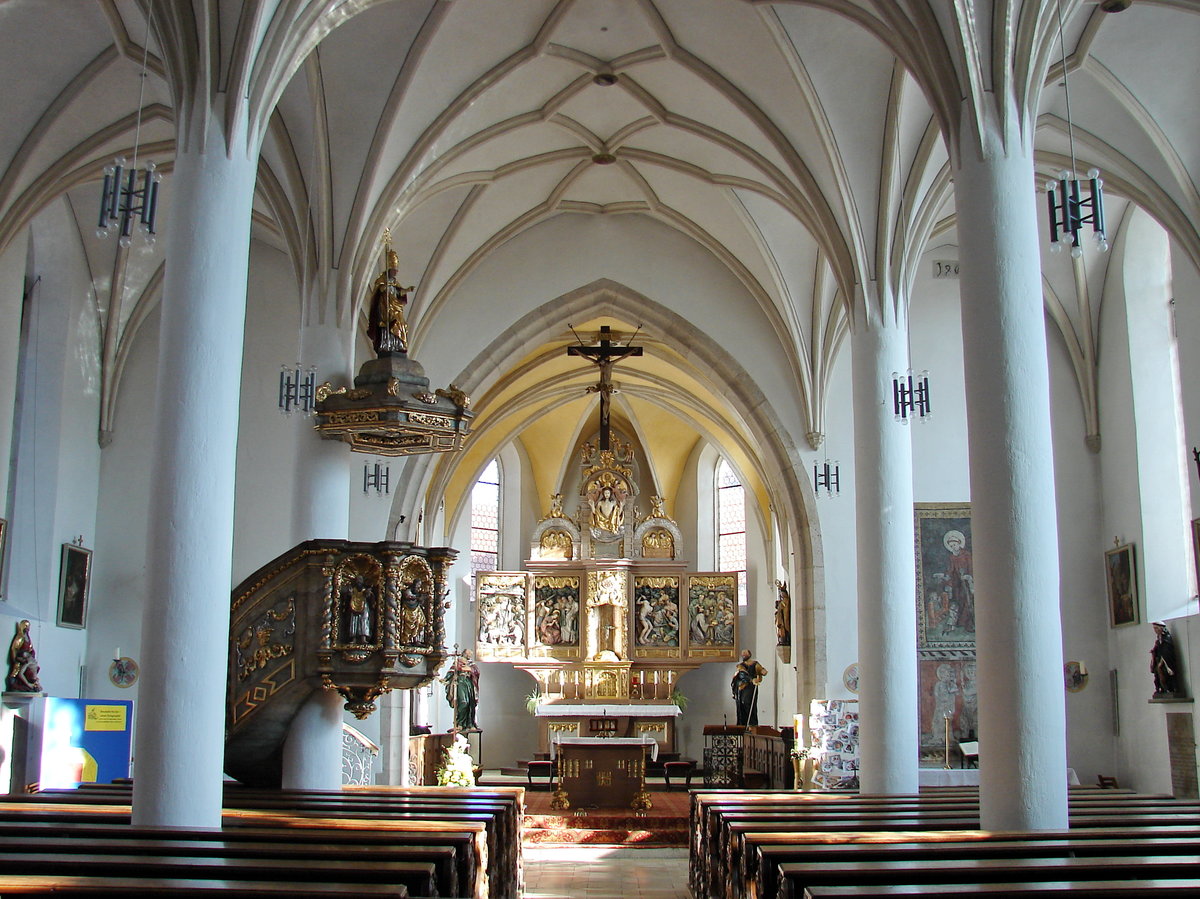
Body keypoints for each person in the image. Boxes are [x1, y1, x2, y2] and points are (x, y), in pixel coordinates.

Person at [366, 247, 412, 356]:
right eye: (394, 270)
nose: (395, 272)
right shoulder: (381, 281)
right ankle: (387, 344)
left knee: (401, 324)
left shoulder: (395, 282)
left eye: (396, 270)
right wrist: (383, 289)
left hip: (395, 306)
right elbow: (377, 293)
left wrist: (407, 290)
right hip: (385, 307)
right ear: (389, 269)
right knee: (388, 325)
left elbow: (399, 293)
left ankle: (398, 344)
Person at [443, 650, 480, 731]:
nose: (470, 655)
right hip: (460, 683)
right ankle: (460, 723)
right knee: (463, 702)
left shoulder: (471, 664)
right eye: (468, 653)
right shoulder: (457, 662)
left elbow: (476, 672)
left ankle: (470, 723)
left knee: (471, 703)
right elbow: (451, 672)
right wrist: (445, 679)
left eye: (471, 654)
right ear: (464, 653)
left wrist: (470, 669)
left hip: (469, 684)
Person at [731, 649, 768, 726]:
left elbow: (760, 670)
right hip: (742, 687)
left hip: (751, 688)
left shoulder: (755, 664)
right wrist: (752, 679)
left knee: (750, 704)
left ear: (749, 654)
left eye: (745, 653)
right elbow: (742, 674)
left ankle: (752, 723)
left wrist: (762, 671)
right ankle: (743, 723)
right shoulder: (741, 665)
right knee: (742, 703)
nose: (743, 655)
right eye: (742, 654)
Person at [6, 620, 42, 693]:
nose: (27, 628)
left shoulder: (28, 638)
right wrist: (16, 659)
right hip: (20, 658)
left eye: (28, 627)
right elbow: (14, 649)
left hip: (26, 658)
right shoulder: (20, 637)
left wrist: (31, 653)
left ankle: (28, 684)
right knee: (17, 669)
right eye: (26, 626)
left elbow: (31, 648)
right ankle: (14, 683)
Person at [1151, 621, 1180, 697]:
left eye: (1156, 628)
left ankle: (1172, 688)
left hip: (1167, 660)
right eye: (1154, 629)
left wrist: (1162, 661)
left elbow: (1166, 651)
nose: (1155, 630)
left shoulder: (1167, 638)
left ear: (1161, 628)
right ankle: (1162, 688)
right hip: (1160, 660)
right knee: (1157, 672)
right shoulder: (1159, 639)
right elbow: (1159, 648)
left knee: (1167, 673)